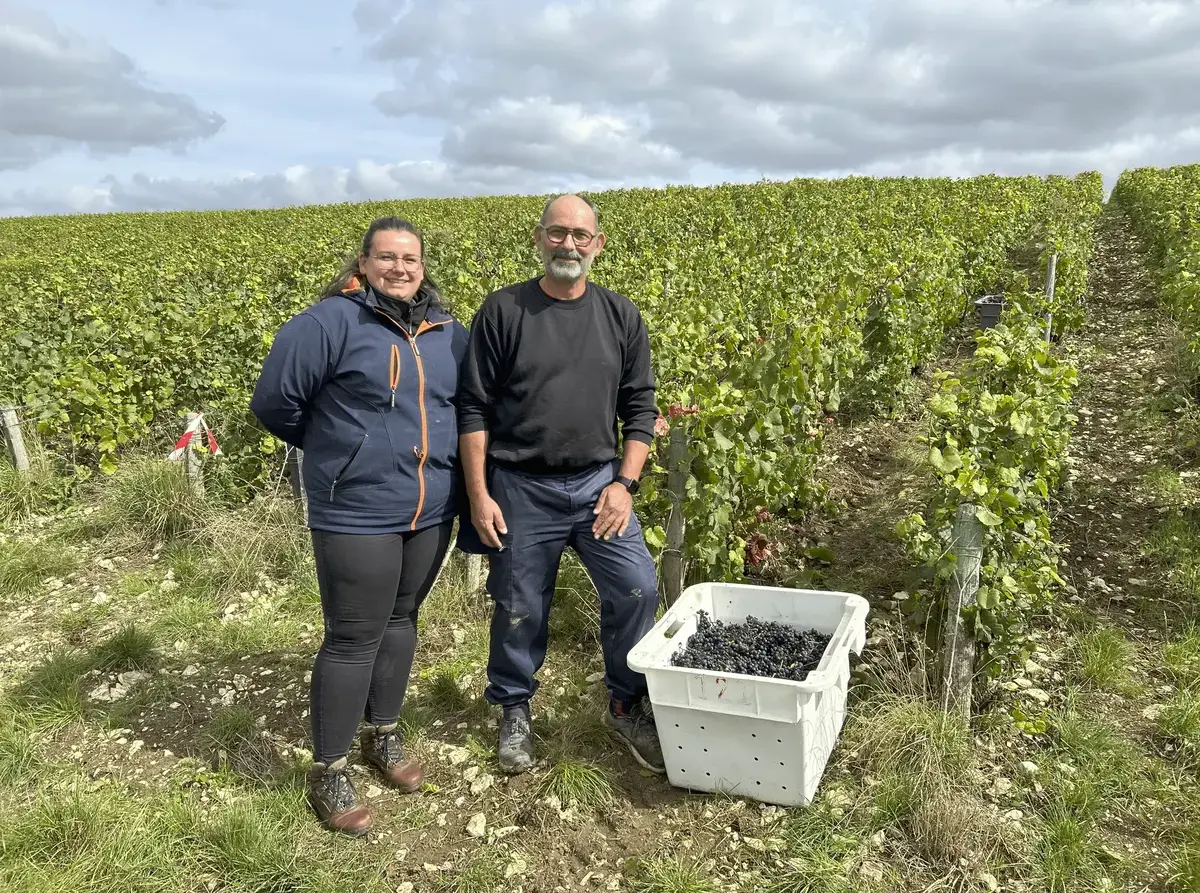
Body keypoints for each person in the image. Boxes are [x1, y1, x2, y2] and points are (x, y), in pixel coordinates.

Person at [249, 217, 469, 836]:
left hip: (430, 506)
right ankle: (330, 768)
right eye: (388, 257)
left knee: (401, 620)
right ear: (364, 263)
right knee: (352, 637)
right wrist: (340, 451)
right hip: (356, 509)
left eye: (412, 259)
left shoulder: (449, 332)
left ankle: (384, 735)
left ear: (424, 267)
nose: (401, 268)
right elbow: (274, 402)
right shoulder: (327, 323)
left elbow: (468, 405)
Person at [456, 193, 665, 775]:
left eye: (580, 235)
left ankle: (624, 702)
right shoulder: (503, 312)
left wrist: (625, 483)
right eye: (557, 233)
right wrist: (479, 495)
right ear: (538, 238)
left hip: (601, 484)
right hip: (521, 487)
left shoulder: (620, 316)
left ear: (597, 245)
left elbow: (640, 407)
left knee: (637, 589)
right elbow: (472, 409)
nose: (567, 244)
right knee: (519, 604)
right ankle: (515, 709)